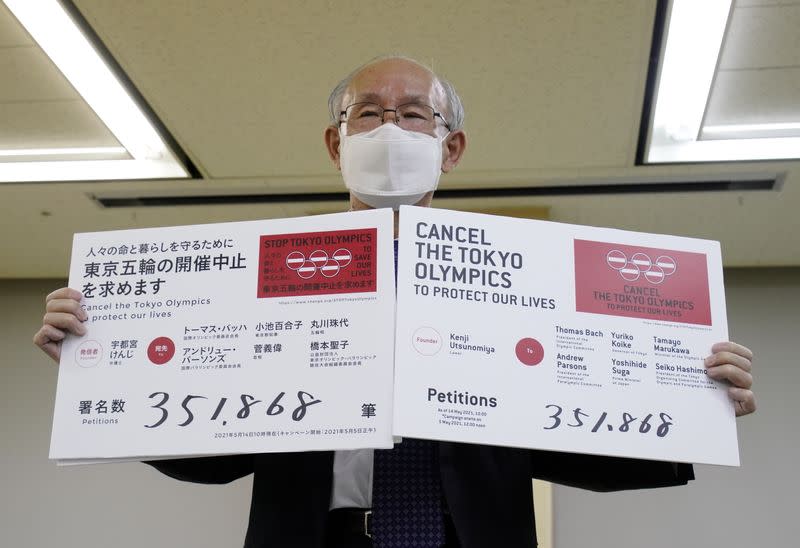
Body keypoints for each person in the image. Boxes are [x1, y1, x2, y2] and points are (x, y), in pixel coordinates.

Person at [34, 56, 756, 548]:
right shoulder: (256, 281)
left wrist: (694, 403)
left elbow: (557, 437)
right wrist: (102, 361)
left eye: (415, 116)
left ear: (452, 147)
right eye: (369, 114)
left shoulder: (524, 284)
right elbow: (218, 454)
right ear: (335, 142)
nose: (390, 129)